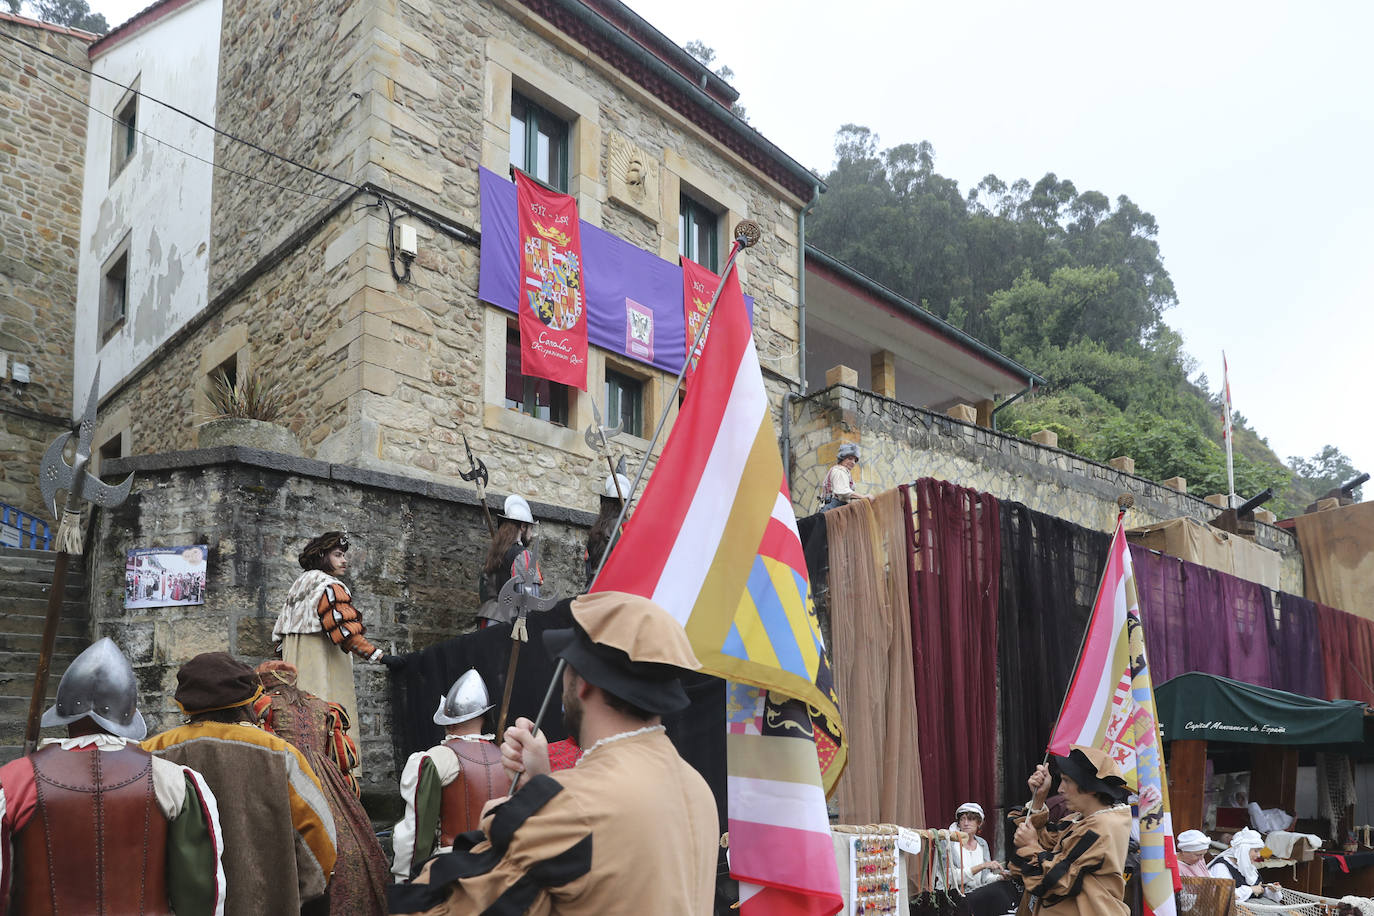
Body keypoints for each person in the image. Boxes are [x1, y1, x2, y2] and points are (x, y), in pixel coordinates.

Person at [389, 591, 718, 914]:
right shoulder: (697, 789)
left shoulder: (573, 806)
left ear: (582, 682)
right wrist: (541, 786)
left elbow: (439, 908)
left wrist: (517, 816)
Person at [0, 638, 226, 915]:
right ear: (128, 716)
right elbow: (200, 892)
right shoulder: (174, 781)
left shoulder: (14, 782)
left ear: (65, 716)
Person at [143, 651, 338, 916]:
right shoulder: (279, 753)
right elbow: (320, 839)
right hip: (263, 903)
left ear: (185, 701)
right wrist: (298, 896)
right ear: (248, 701)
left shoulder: (150, 752)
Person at [254, 660, 390, 916]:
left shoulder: (264, 706)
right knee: (347, 840)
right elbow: (342, 759)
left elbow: (262, 749)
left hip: (287, 773)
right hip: (327, 775)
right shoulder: (322, 706)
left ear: (263, 682)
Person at [273, 531, 402, 748]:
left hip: (295, 667)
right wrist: (380, 657)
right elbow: (346, 631)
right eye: (338, 555)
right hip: (322, 664)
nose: (345, 561)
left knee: (299, 722)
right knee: (328, 719)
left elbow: (279, 640)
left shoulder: (298, 587)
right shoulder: (328, 586)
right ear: (323, 556)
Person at [391, 669, 512, 882]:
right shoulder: (507, 758)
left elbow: (415, 831)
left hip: (451, 872)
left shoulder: (437, 758)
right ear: (483, 718)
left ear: (450, 723)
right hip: (501, 872)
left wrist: (404, 879)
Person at [1009, 745, 1133, 915]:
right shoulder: (1081, 819)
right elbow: (1047, 842)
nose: (1060, 789)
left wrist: (1030, 845)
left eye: (1067, 780)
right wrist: (1038, 799)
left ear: (1089, 786)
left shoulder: (1100, 828)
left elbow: (1057, 880)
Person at [478, 495, 542, 625]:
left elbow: (483, 592)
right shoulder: (523, 555)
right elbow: (530, 602)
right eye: (530, 528)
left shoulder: (493, 553)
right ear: (523, 527)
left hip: (486, 618)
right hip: (507, 625)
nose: (531, 534)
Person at [940, 802, 1006, 892]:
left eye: (970, 819)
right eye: (962, 819)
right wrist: (982, 866)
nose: (966, 823)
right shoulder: (948, 843)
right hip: (955, 897)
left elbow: (985, 878)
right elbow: (951, 877)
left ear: (979, 823)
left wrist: (1000, 877)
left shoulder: (982, 843)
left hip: (977, 897)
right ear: (958, 823)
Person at [1208, 827, 1282, 903]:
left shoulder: (1249, 867)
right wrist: (1251, 889)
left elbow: (1258, 890)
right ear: (1244, 850)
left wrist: (1270, 889)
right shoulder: (1221, 867)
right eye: (1256, 851)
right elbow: (1224, 895)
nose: (1259, 855)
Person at [584, 472, 628, 587]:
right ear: (623, 504)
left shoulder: (598, 526)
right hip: (610, 584)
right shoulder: (622, 526)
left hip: (592, 582)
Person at [818, 442, 870, 511]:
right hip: (833, 509)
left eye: (855, 460)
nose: (853, 462)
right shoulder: (839, 470)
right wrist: (863, 497)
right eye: (850, 458)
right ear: (842, 458)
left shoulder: (844, 472)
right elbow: (842, 491)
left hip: (839, 507)